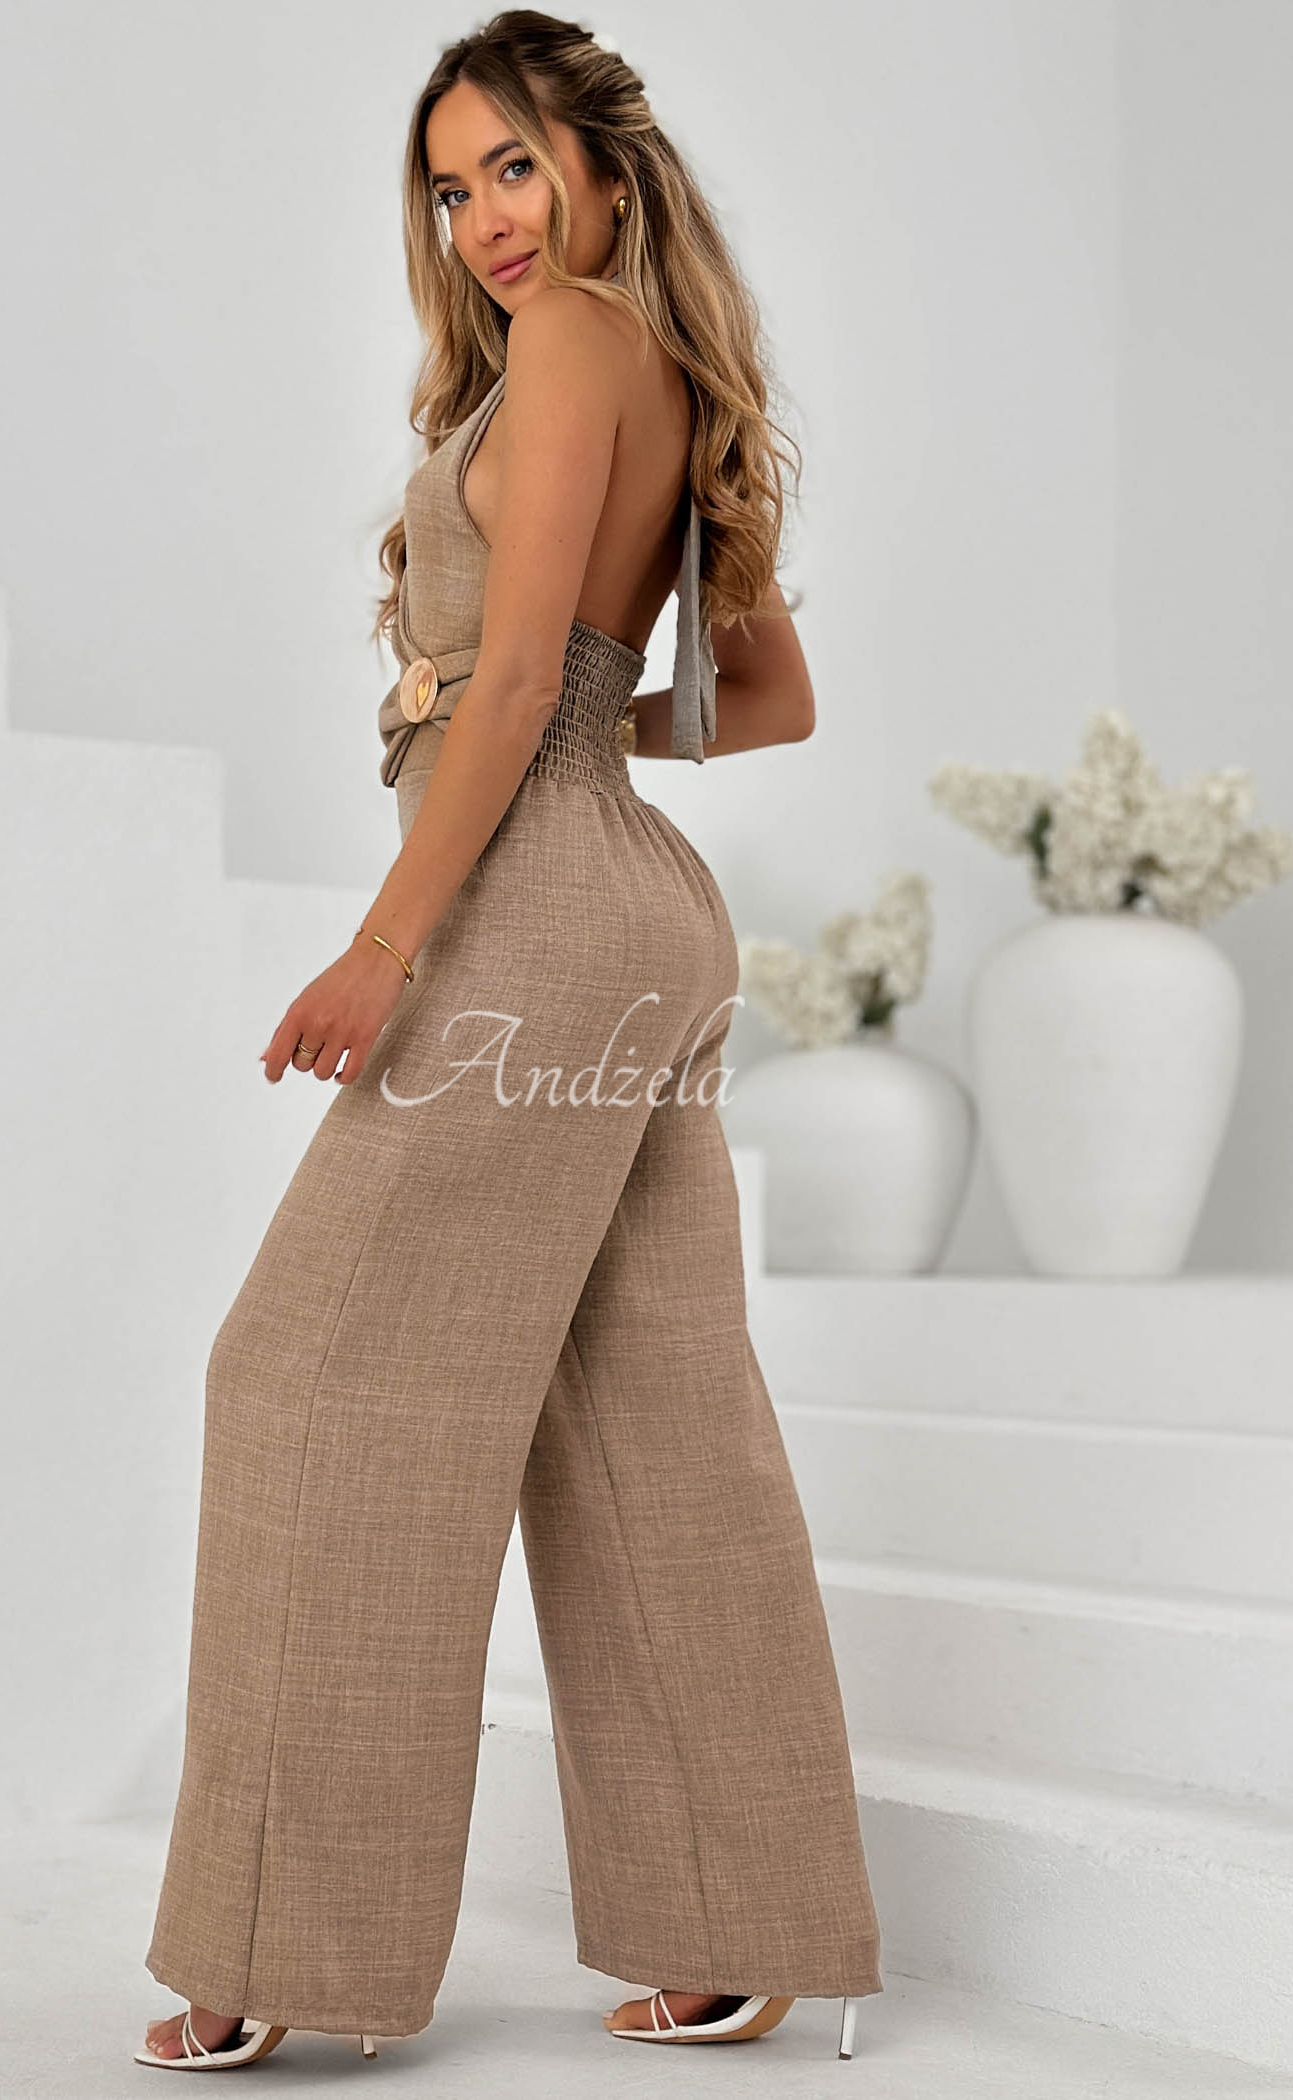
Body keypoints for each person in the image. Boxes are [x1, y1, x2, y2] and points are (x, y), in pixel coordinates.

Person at [136, 7, 882, 2072]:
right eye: (453, 186)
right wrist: (559, 721)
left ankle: (282, 1946)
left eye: (515, 168)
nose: (484, 218)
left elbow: (529, 674)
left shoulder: (565, 342)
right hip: (642, 911)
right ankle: (742, 1929)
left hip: (537, 919)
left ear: (607, 173)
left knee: (306, 1377)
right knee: (652, 1418)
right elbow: (768, 697)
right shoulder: (675, 370)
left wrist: (387, 938)